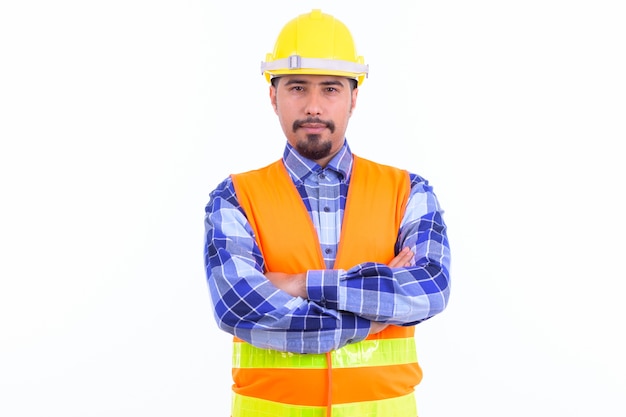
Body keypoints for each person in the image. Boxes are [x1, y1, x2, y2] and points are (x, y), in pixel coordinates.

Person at [203, 9, 451, 417]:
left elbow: (428, 289)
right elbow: (237, 305)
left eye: (331, 89)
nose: (314, 106)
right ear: (273, 95)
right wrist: (368, 319)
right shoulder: (235, 196)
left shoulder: (408, 191)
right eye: (298, 87)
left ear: (354, 97)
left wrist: (300, 284)